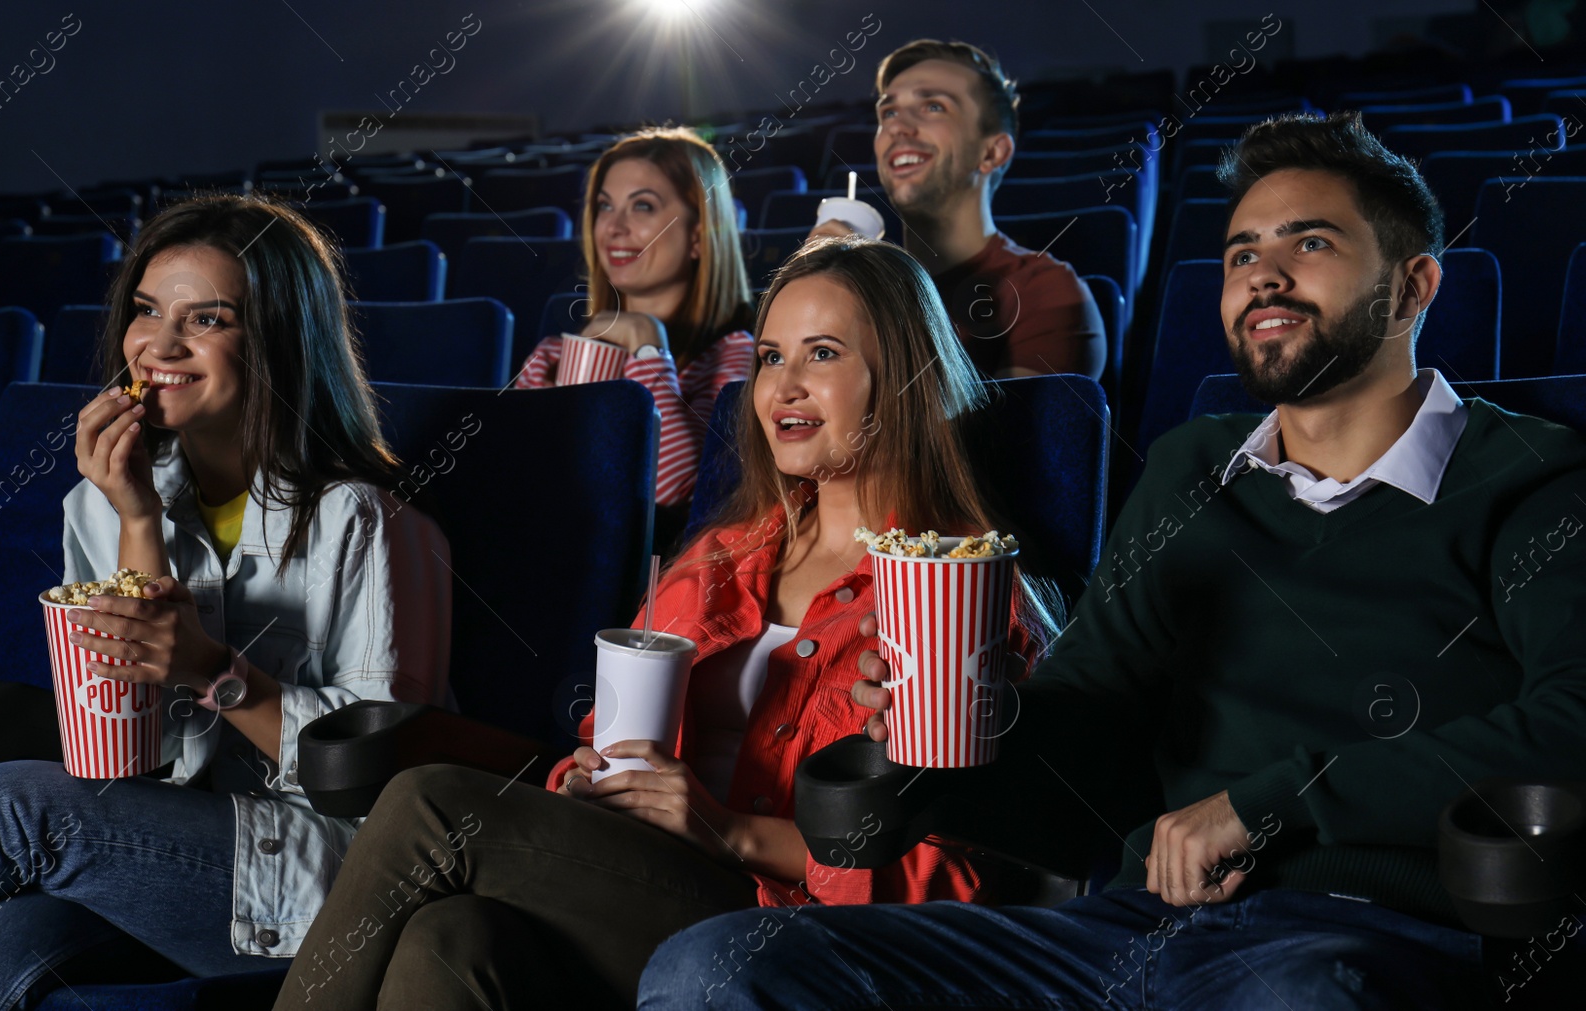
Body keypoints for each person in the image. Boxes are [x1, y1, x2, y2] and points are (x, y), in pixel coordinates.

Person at [639, 112, 1586, 1010]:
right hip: (1133, 932)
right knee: (713, 964)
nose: (1264, 275)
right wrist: (971, 724)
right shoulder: (1193, 469)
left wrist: (1269, 803)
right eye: (1241, 254)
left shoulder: (1530, 477)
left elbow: (1570, 722)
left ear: (1415, 286)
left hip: (1370, 938)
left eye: (1311, 245)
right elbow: (1092, 726)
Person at [271, 236, 1060, 1010]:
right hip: (645, 884)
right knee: (451, 936)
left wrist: (729, 830)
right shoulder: (719, 558)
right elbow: (607, 747)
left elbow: (956, 883)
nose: (783, 386)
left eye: (822, 354)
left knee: (429, 805)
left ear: (904, 377)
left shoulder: (960, 597)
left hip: (793, 934)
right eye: (771, 357)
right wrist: (581, 779)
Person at [0, 195, 452, 1008]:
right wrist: (138, 519)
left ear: (275, 342)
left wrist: (214, 671)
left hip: (334, 870)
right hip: (164, 846)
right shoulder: (103, 503)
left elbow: (388, 778)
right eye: (146, 311)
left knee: (9, 806)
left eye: (206, 320)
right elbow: (128, 757)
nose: (159, 346)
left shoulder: (366, 521)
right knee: (6, 952)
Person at [513, 127, 755, 542]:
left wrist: (647, 343)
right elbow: (508, 483)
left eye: (642, 206)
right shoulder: (552, 355)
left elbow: (672, 488)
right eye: (605, 207)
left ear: (698, 236)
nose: (613, 227)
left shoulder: (735, 355)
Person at [815, 39, 1106, 382]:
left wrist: (870, 301)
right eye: (888, 112)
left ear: (992, 153)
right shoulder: (863, 285)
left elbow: (1003, 435)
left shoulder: (1045, 291)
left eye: (933, 107)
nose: (897, 126)